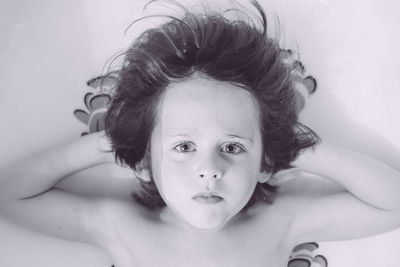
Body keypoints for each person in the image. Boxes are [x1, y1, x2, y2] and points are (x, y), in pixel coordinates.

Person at [0, 1, 399, 267]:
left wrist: (297, 148)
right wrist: (112, 145)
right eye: (184, 146)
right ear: (144, 161)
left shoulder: (279, 222)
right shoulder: (121, 225)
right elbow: (10, 194)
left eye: (232, 147)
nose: (209, 170)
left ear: (264, 163)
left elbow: (393, 205)